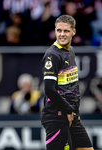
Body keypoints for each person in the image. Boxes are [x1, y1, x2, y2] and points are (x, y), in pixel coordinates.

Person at [41, 15, 93, 150]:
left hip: (72, 115)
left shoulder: (70, 51)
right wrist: (69, 110)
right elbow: (50, 90)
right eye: (59, 30)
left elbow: (72, 86)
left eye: (66, 31)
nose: (62, 34)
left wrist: (75, 112)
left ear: (73, 32)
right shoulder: (52, 55)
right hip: (56, 116)